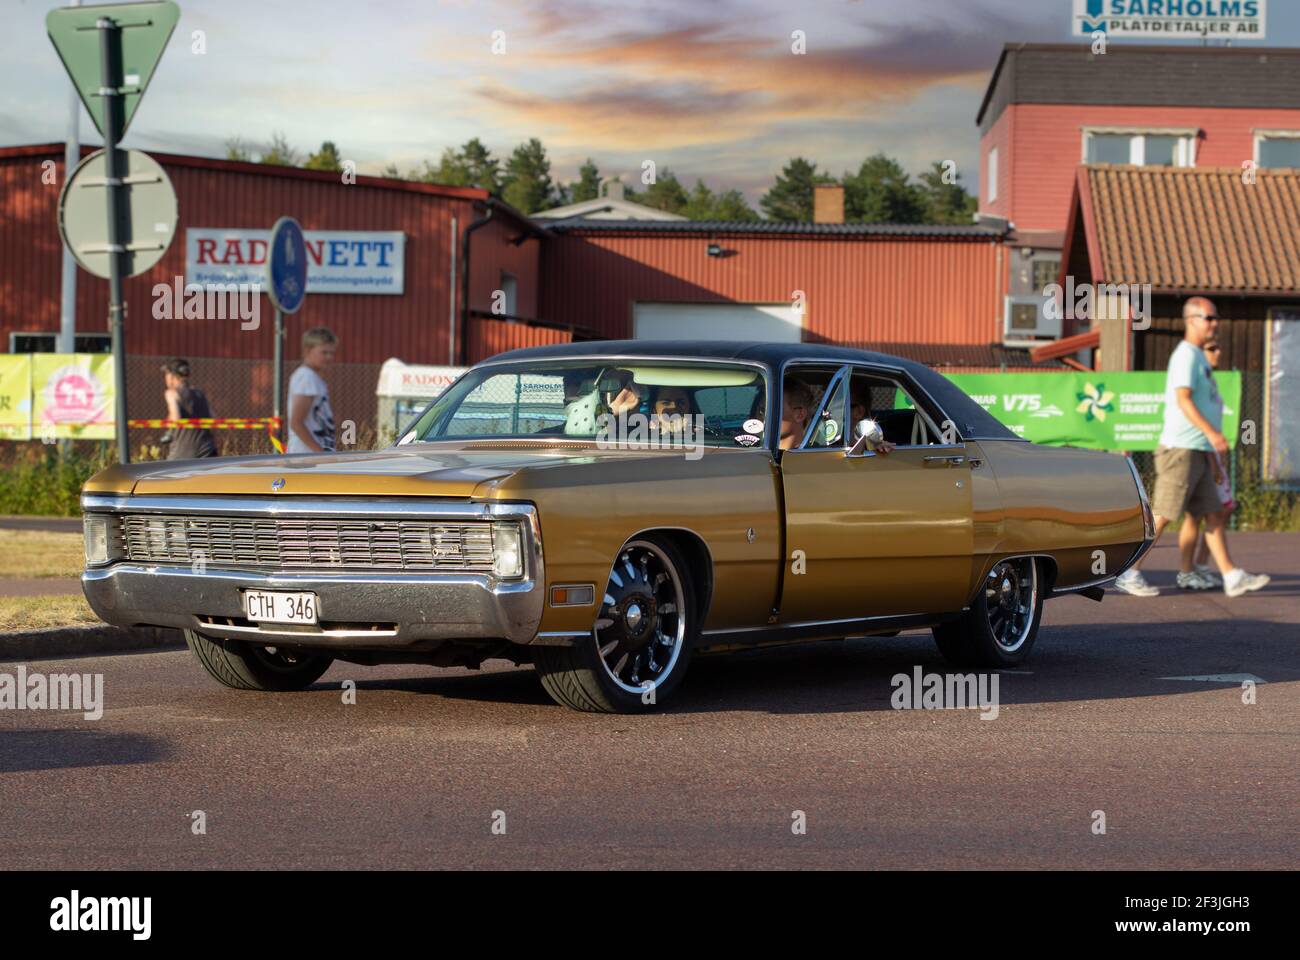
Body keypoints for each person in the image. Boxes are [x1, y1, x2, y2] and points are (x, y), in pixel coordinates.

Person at [1114, 298, 1268, 599]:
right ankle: (1129, 573)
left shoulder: (1199, 357)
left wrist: (1211, 457)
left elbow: (1204, 405)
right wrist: (1213, 434)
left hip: (1198, 451)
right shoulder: (1185, 355)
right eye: (1209, 318)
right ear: (1192, 320)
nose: (1215, 323)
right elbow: (1183, 399)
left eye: (1216, 318)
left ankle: (1231, 575)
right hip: (1180, 449)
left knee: (1212, 514)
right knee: (1163, 514)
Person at [1182, 338, 1236, 588]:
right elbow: (1193, 417)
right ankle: (1133, 571)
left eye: (1218, 347)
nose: (1218, 351)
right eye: (1212, 348)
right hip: (1196, 452)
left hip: (1210, 454)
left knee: (1218, 511)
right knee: (1172, 516)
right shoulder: (1192, 375)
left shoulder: (1208, 379)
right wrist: (1213, 462)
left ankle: (1201, 567)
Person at [287, 327, 338, 454]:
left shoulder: (315, 378)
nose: (329, 357)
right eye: (324, 352)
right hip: (306, 457)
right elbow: (296, 423)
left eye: (332, 353)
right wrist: (320, 453)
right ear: (308, 350)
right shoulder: (306, 377)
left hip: (313, 455)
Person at [160, 358, 218, 460]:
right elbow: (214, 419)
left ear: (171, 376)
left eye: (166, 374)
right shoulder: (199, 393)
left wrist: (168, 427)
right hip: (208, 452)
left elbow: (175, 419)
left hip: (183, 454)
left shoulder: (172, 393)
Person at [779, 377, 815, 450]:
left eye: (775, 408)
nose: (764, 418)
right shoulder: (754, 452)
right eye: (762, 410)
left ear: (799, 415)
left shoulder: (815, 458)